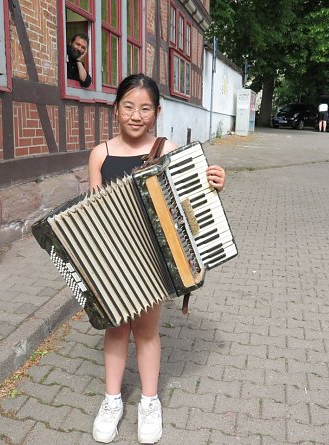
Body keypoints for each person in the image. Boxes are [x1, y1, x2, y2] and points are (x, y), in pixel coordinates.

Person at [87, 73, 226, 444]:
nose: (136, 115)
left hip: (154, 260)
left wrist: (214, 182)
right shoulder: (100, 154)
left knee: (146, 332)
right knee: (116, 329)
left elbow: (191, 204)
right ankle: (112, 400)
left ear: (157, 112)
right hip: (114, 259)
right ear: (115, 109)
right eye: (129, 106)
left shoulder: (168, 149)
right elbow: (93, 210)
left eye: (145, 108)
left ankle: (149, 401)